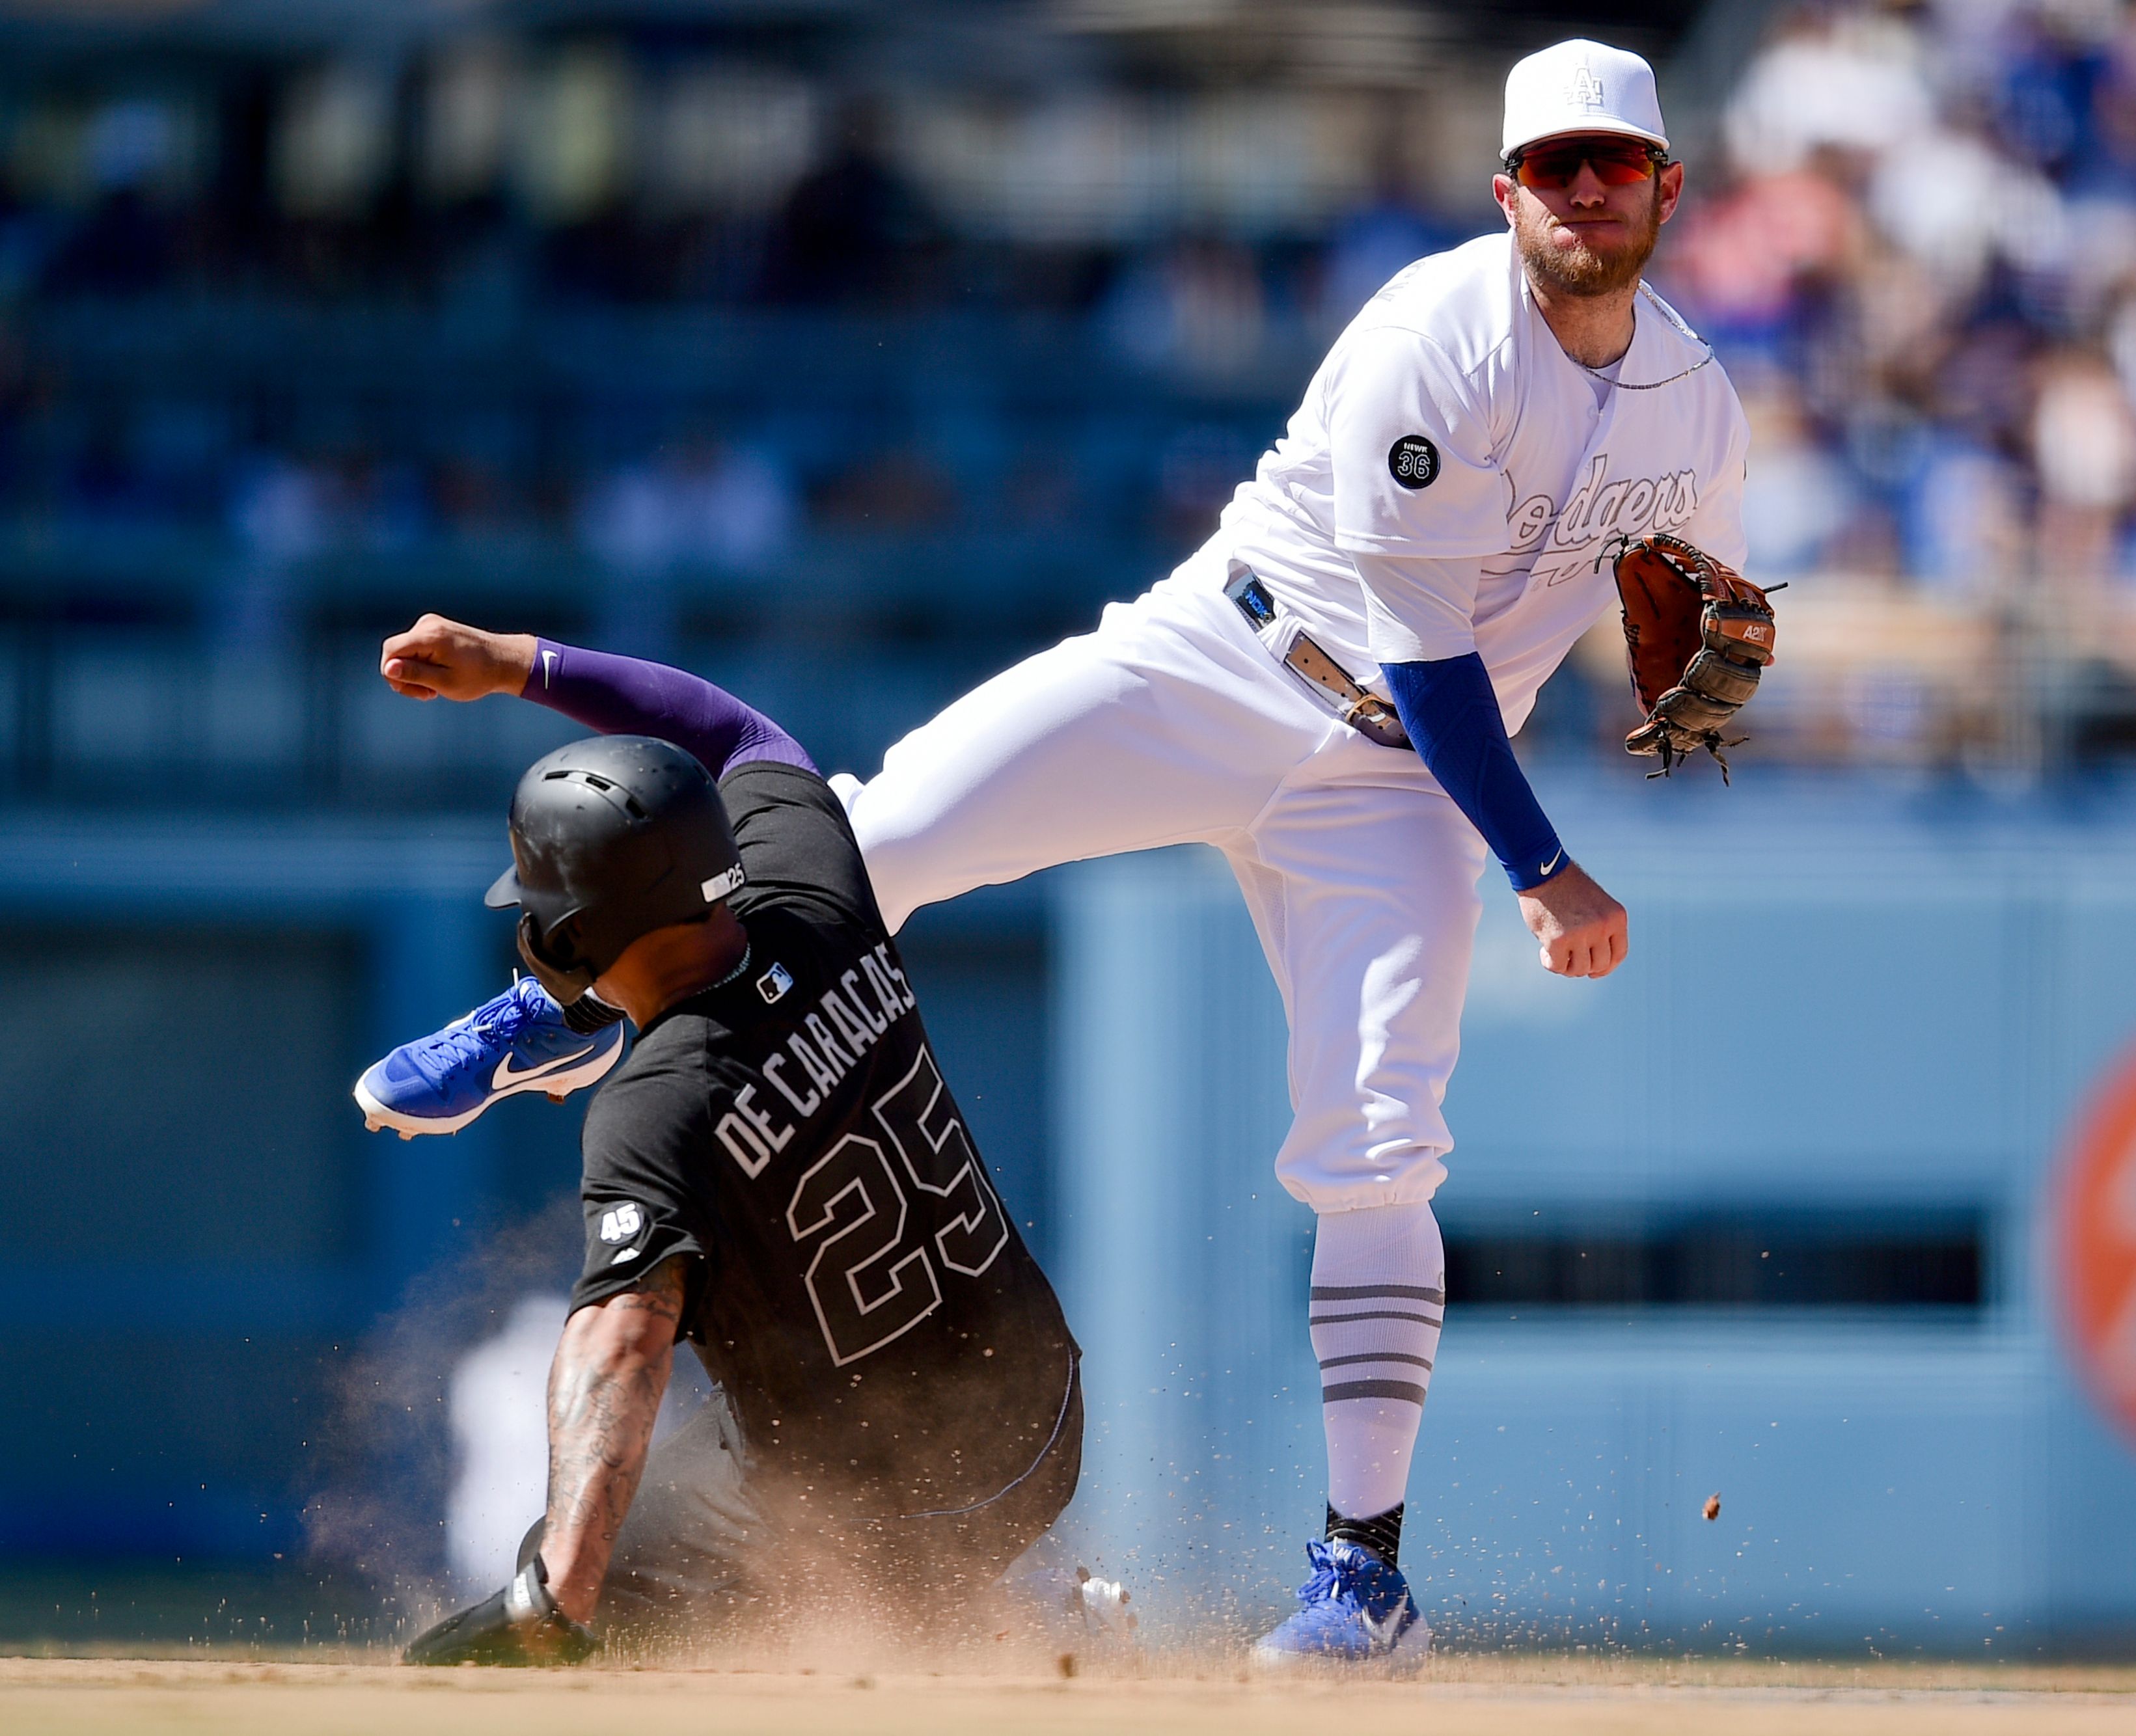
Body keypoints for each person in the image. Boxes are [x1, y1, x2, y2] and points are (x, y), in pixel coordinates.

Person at [368, 38, 1748, 1668]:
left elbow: (1704, 603)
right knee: (868, 836)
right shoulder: (1433, 338)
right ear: (1507, 187)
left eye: (1618, 162)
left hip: (1387, 788)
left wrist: (1708, 650)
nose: (1588, 187)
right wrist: (1541, 865)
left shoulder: (1700, 411)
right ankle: (573, 1006)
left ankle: (1364, 1574)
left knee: (1382, 1146)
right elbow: (1436, 665)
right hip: (1226, 661)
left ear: (1668, 184)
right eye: (1556, 164)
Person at [394, 710, 1081, 1664]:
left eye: (536, 909)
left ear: (573, 934)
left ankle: (997, 1627)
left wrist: (558, 1598)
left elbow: (624, 1342)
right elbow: (743, 732)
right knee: (739, 1452)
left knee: (588, 1576)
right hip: (1046, 1415)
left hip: (905, 1512)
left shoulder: (658, 1103)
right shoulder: (816, 891)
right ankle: (998, 1602)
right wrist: (525, 664)